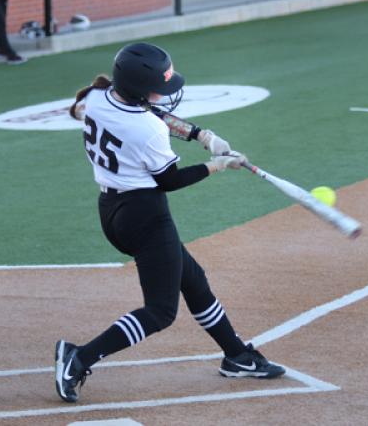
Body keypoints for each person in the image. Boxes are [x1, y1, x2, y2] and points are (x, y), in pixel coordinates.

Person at [55, 42, 285, 403]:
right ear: (138, 87)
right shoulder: (146, 130)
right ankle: (79, 357)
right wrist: (217, 165)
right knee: (160, 311)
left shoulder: (101, 96)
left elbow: (150, 113)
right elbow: (169, 180)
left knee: (192, 280)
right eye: (157, 87)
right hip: (145, 215)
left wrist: (201, 136)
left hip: (115, 209)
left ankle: (237, 356)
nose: (164, 93)